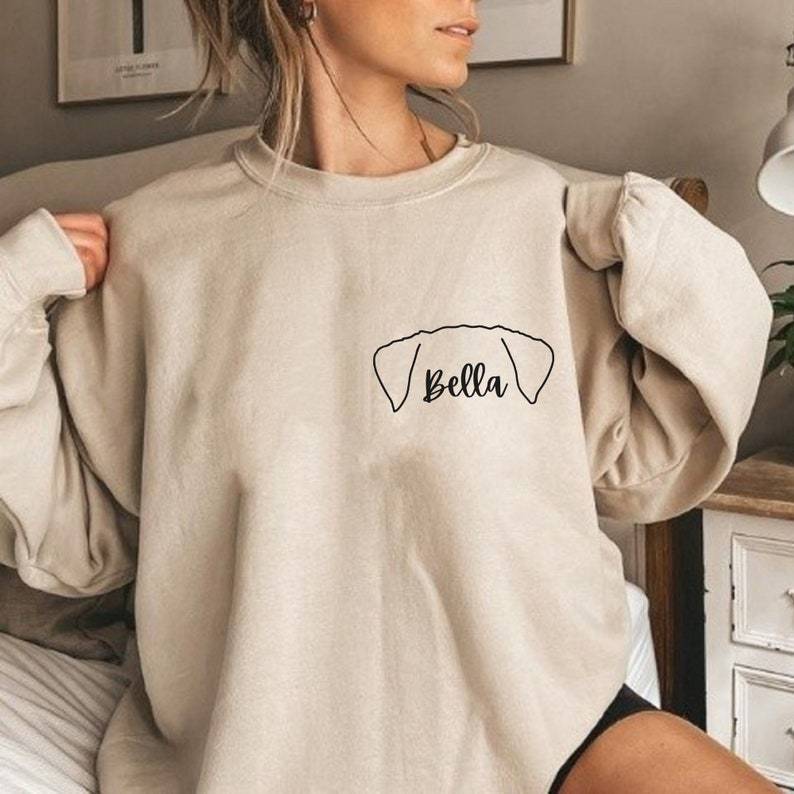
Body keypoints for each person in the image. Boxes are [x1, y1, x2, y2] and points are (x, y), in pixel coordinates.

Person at [0, 1, 779, 792]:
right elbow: (79, 545)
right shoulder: (158, 246)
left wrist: (656, 238)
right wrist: (10, 297)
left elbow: (649, 474)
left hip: (556, 722)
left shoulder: (536, 214)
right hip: (266, 759)